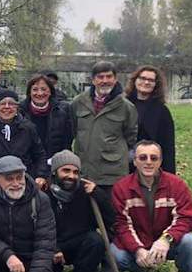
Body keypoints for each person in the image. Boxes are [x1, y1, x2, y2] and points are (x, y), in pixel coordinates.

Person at [110, 141, 192, 272]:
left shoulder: (176, 185)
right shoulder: (121, 188)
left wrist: (166, 239)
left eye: (154, 158)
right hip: (140, 243)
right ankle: (140, 269)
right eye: (143, 157)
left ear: (160, 161)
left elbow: (186, 219)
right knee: (115, 255)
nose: (148, 162)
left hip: (167, 243)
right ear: (134, 161)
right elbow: (122, 225)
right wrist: (138, 250)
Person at [47, 150, 112, 272]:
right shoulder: (44, 193)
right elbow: (35, 228)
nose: (71, 176)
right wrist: (53, 248)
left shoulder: (85, 192)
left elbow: (110, 219)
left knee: (95, 240)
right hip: (49, 245)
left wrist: (98, 194)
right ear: (55, 171)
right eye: (66, 170)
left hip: (76, 244)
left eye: (76, 172)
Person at [71, 61, 138, 190]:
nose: (105, 81)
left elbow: (130, 137)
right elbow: (74, 130)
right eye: (100, 77)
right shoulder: (78, 102)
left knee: (109, 208)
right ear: (93, 80)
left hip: (112, 173)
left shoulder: (126, 107)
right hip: (84, 170)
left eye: (109, 76)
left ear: (115, 79)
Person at [125, 65, 176, 173]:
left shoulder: (162, 111)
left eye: (151, 80)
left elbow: (168, 146)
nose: (146, 82)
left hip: (150, 163)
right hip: (125, 162)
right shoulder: (123, 105)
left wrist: (169, 174)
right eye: (142, 78)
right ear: (135, 80)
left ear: (155, 85)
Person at [19, 74, 74, 159]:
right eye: (35, 89)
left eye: (44, 89)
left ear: (50, 91)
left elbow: (67, 140)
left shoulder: (63, 111)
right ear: (29, 92)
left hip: (55, 161)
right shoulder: (20, 112)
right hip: (28, 163)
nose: (39, 93)